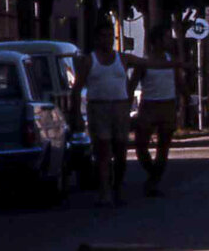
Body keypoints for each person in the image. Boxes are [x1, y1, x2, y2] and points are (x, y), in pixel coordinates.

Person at [77, 23, 178, 207]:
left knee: (121, 153)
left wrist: (179, 64)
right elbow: (76, 88)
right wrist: (75, 114)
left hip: (120, 108)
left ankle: (117, 189)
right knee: (104, 152)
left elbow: (151, 63)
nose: (108, 39)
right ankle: (105, 191)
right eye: (103, 36)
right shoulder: (89, 60)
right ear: (97, 39)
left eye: (110, 36)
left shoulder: (123, 58)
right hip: (99, 109)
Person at [131, 25, 181, 197]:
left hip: (168, 105)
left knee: (164, 146)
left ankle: (154, 181)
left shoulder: (170, 60)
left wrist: (188, 98)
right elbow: (132, 85)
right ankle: (153, 172)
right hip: (149, 106)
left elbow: (178, 80)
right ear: (156, 41)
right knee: (140, 144)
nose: (170, 41)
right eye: (167, 37)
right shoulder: (144, 62)